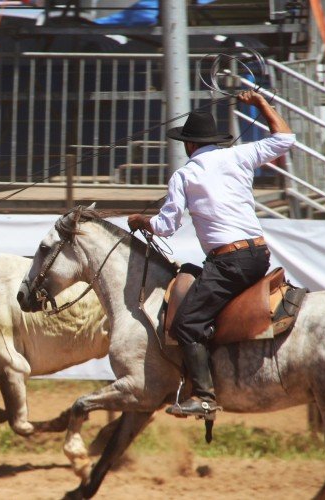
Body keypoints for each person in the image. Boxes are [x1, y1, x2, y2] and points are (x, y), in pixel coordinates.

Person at [127, 90, 294, 418]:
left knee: (187, 323)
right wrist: (261, 104)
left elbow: (166, 225)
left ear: (189, 145)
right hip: (258, 254)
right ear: (213, 140)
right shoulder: (239, 156)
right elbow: (285, 139)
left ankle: (204, 395)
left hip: (228, 261)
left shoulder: (185, 175)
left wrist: (140, 220)